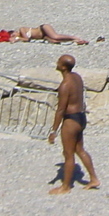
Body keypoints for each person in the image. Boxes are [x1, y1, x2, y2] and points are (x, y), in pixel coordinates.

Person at [48, 54, 100, 194]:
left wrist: (54, 131)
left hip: (71, 120)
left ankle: (66, 187)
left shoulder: (64, 85)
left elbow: (60, 110)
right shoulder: (76, 77)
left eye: (59, 62)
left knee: (68, 154)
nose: (56, 63)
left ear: (63, 67)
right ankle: (94, 178)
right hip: (81, 117)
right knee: (80, 149)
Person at [13, 24, 89, 45]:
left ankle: (74, 37)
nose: (15, 35)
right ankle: (77, 41)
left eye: (13, 34)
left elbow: (27, 39)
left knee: (56, 36)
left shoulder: (21, 29)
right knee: (55, 40)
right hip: (43, 36)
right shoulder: (20, 36)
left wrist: (18, 38)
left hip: (43, 28)